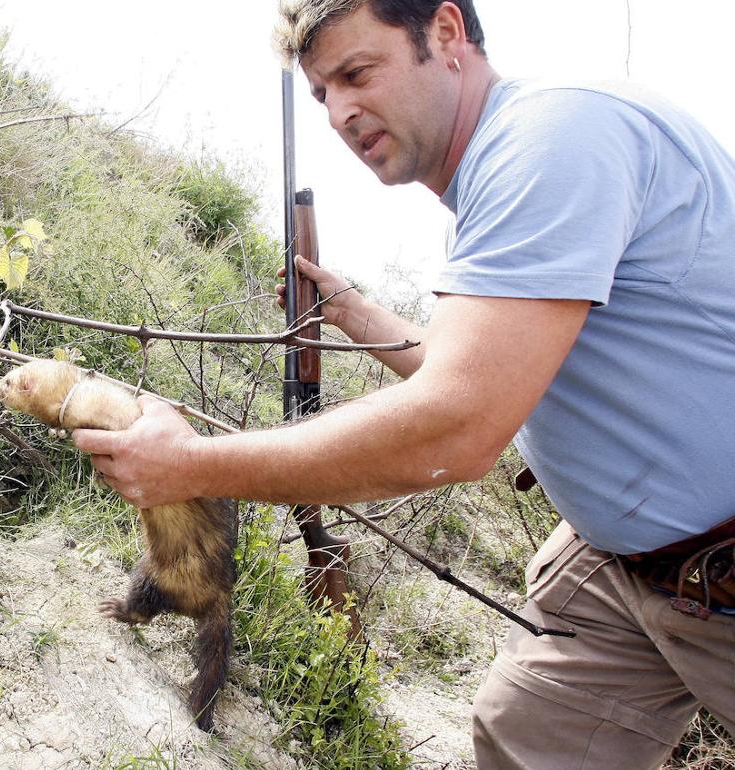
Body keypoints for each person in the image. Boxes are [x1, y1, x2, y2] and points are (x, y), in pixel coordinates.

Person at [70, 1, 735, 767]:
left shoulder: (555, 140)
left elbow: (460, 424)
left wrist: (190, 466)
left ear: (446, 34)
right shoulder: (499, 171)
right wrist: (353, 312)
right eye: (322, 93)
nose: (341, 112)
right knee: (527, 735)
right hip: (627, 569)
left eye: (357, 73)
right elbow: (486, 370)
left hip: (717, 568)